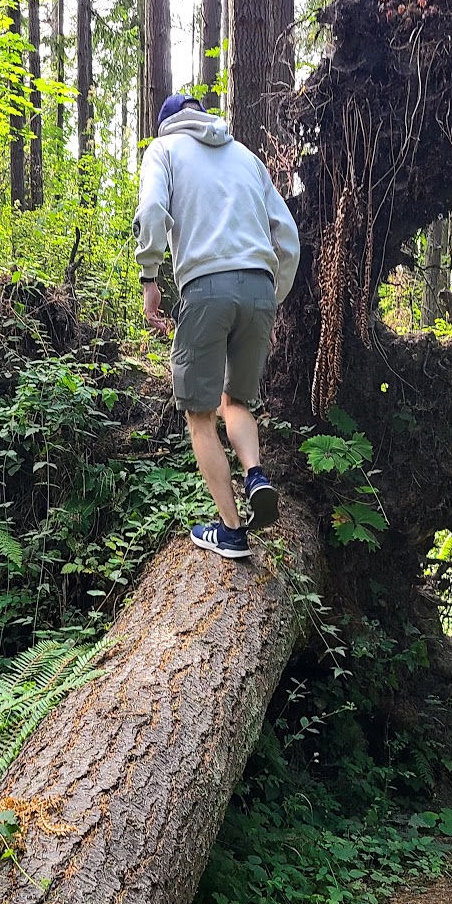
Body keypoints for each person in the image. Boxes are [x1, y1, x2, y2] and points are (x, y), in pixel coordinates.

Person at [133, 93, 301, 559]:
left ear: (167, 123)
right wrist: (271, 292)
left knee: (200, 414)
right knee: (237, 400)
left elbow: (150, 213)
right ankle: (255, 473)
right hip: (260, 286)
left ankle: (231, 530)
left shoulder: (163, 151)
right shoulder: (246, 156)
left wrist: (150, 277)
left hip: (206, 286)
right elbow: (287, 235)